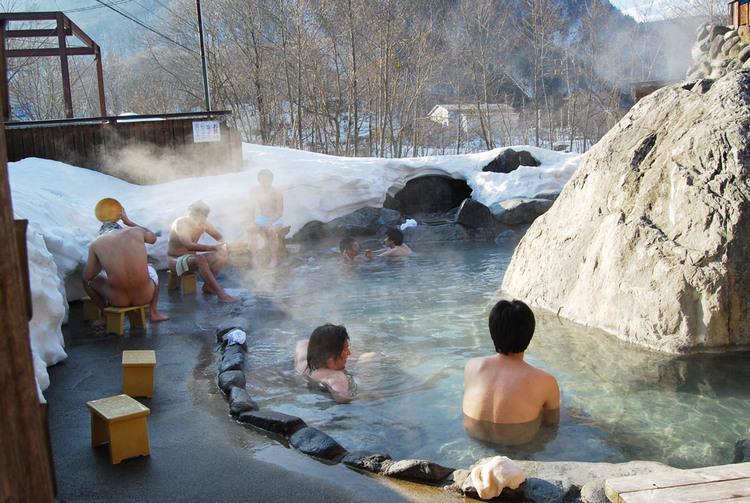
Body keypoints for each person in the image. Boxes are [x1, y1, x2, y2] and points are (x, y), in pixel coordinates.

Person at [462, 300, 560, 445]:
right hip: (519, 445)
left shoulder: (471, 366)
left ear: (492, 330)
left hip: (475, 437)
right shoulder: (546, 381)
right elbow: (551, 425)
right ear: (530, 332)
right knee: (556, 400)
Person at [82, 226, 169, 325]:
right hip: (144, 296)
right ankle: (154, 312)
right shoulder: (136, 230)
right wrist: (129, 222)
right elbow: (153, 238)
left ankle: (106, 315)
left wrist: (102, 263)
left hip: (118, 300)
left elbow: (89, 275)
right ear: (121, 228)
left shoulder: (96, 243)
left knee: (85, 280)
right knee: (151, 267)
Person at [167, 200, 239, 304]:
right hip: (175, 260)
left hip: (191, 260)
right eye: (199, 217)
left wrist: (228, 246)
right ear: (191, 214)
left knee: (222, 255)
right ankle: (222, 295)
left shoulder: (203, 223)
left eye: (203, 217)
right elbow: (188, 246)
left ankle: (208, 286)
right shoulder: (181, 223)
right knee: (201, 259)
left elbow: (219, 237)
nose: (202, 220)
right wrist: (213, 248)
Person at [294, 323, 354, 403]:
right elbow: (343, 399)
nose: (349, 353)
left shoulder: (301, 362)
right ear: (330, 357)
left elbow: (302, 343)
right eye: (346, 349)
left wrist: (323, 341)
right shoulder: (336, 377)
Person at [248, 169, 284, 268]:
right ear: (259, 180)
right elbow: (252, 209)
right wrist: (252, 222)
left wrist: (270, 223)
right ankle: (254, 258)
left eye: (267, 180)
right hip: (261, 218)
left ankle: (274, 258)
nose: (265, 183)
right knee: (251, 230)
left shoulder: (276, 193)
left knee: (271, 231)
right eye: (262, 180)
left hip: (275, 218)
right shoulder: (254, 191)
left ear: (271, 180)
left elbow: (280, 212)